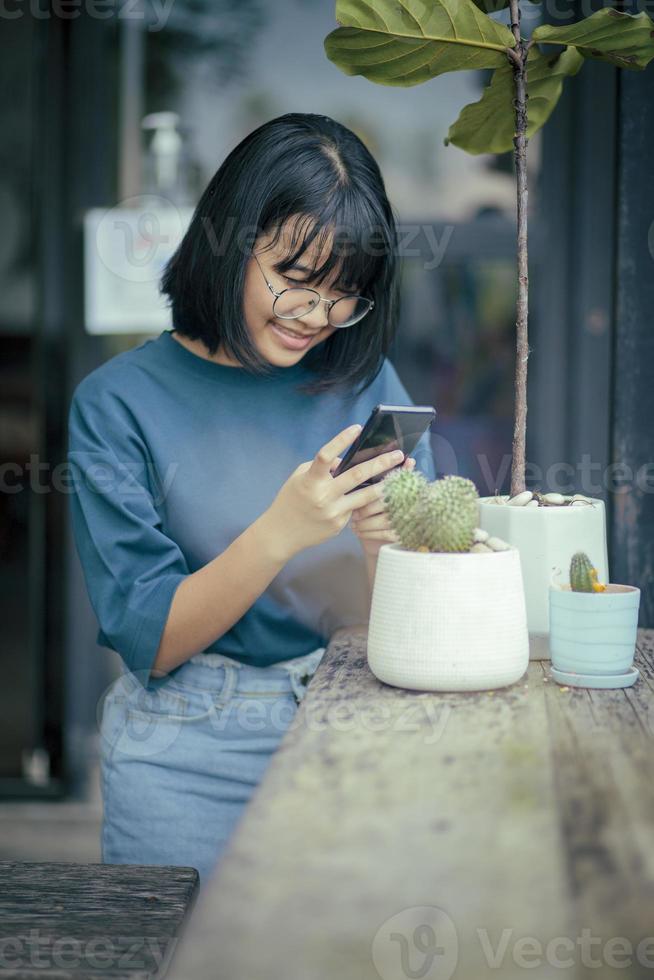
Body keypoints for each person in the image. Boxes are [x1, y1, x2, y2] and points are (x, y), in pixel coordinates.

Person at [67, 113, 435, 892]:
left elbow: (411, 625)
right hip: (187, 753)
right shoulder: (117, 404)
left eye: (345, 295)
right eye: (296, 279)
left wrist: (381, 547)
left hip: (349, 729)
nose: (317, 316)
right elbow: (152, 638)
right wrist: (282, 531)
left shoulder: (363, 382)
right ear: (229, 243)